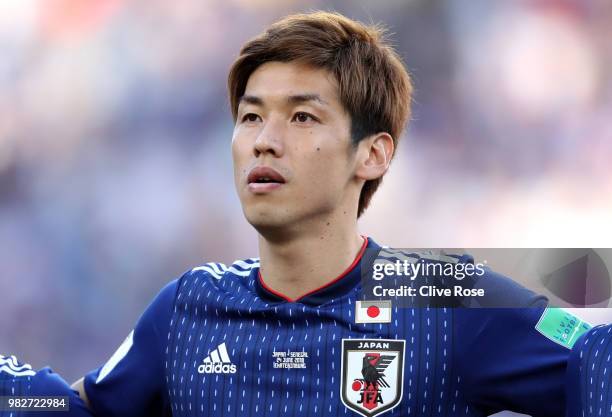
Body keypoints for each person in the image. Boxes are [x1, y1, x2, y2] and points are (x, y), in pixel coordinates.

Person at [1, 11, 607, 417]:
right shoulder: (187, 307)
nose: (264, 140)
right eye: (250, 116)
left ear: (373, 154)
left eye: (302, 117)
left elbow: (590, 355)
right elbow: (77, 409)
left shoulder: (440, 297)